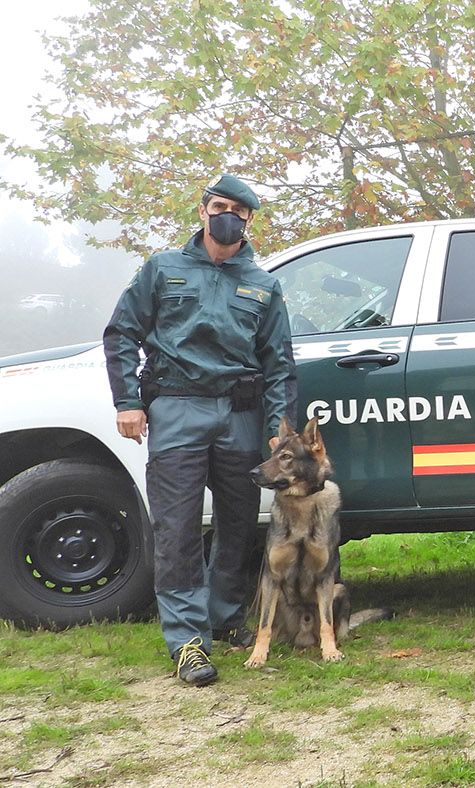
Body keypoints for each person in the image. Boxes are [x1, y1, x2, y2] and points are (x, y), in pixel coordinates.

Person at [104, 174, 296, 685]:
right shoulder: (163, 269)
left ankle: (224, 617)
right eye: (219, 205)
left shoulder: (263, 284)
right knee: (178, 526)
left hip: (241, 415)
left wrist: (279, 429)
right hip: (177, 410)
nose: (226, 214)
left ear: (249, 220)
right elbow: (122, 333)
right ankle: (188, 641)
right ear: (203, 209)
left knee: (237, 524)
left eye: (238, 209)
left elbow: (279, 364)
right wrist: (128, 402)